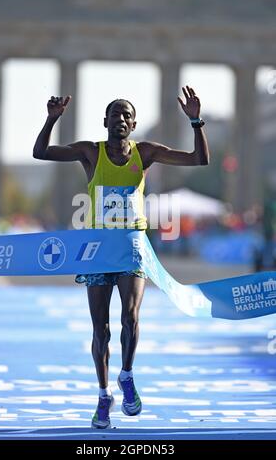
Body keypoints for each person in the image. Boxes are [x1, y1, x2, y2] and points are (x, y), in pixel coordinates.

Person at [33, 86, 209, 428]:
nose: (121, 119)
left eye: (127, 115)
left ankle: (126, 375)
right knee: (101, 329)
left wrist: (196, 121)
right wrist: (51, 119)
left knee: (131, 316)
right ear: (105, 122)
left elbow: (198, 159)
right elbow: (41, 152)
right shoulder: (89, 151)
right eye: (115, 114)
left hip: (131, 243)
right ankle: (103, 397)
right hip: (98, 247)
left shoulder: (146, 152)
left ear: (134, 123)